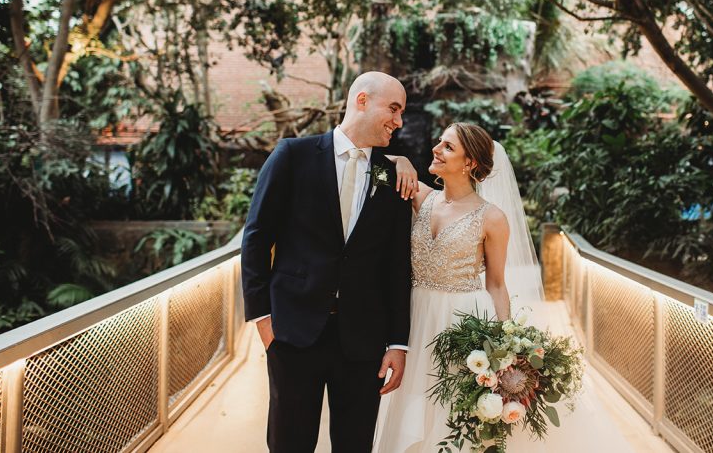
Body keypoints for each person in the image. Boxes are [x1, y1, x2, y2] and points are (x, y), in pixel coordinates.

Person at [375, 122, 627, 453]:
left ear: (470, 164)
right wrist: (399, 161)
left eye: (448, 147)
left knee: (452, 410)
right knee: (412, 408)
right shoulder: (420, 197)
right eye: (440, 142)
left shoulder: (492, 218)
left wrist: (505, 350)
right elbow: (372, 168)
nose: (436, 149)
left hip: (459, 325)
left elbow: (495, 284)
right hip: (415, 320)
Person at [241, 71, 416, 453]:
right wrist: (264, 321)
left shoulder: (393, 175)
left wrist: (398, 343)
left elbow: (396, 267)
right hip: (293, 333)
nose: (399, 121)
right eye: (394, 108)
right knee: (289, 442)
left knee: (355, 445)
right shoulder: (292, 155)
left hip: (363, 340)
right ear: (362, 100)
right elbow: (256, 239)